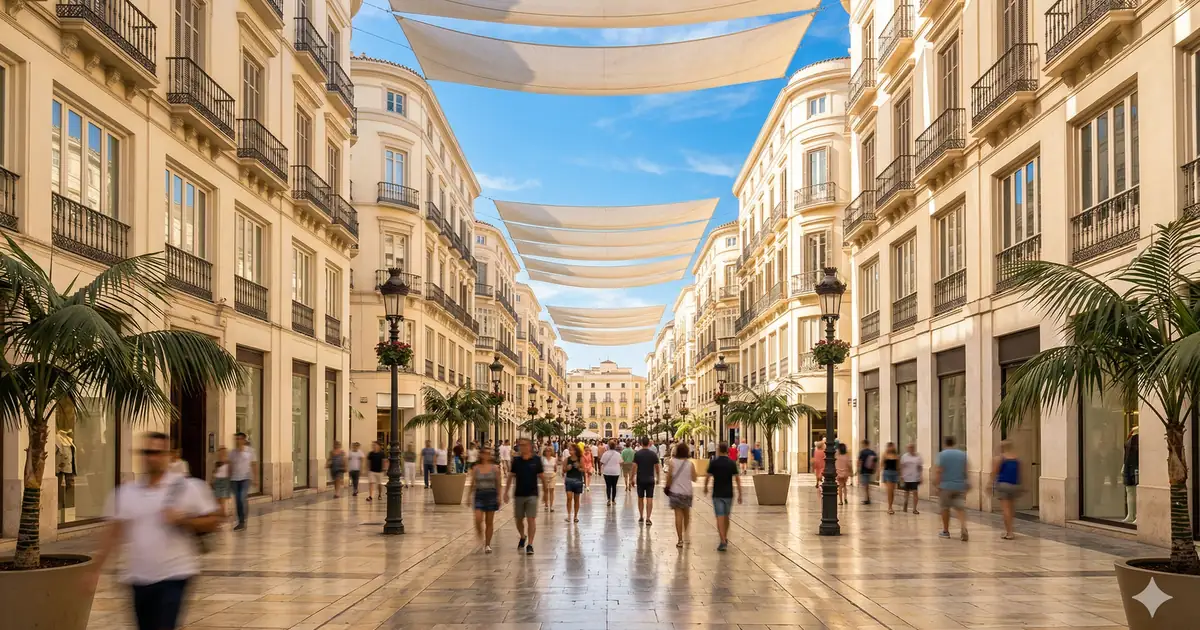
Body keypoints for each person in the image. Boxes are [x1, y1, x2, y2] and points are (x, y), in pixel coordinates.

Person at [91, 432, 221, 630]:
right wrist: (95, 570)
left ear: (169, 455)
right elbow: (113, 532)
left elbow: (214, 521)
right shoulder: (126, 493)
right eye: (147, 452)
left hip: (175, 575)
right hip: (138, 577)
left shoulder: (188, 487)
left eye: (158, 453)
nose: (152, 457)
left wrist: (184, 520)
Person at [504, 438, 544, 555]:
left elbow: (541, 477)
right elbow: (511, 476)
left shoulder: (536, 460)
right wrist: (505, 492)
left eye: (525, 445)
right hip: (519, 494)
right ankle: (522, 536)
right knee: (519, 519)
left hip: (532, 494)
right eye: (520, 445)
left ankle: (530, 544)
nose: (522, 447)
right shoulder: (516, 461)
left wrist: (546, 493)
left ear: (530, 446)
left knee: (531, 519)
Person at [704, 441, 742, 551]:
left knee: (720, 517)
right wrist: (740, 494)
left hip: (717, 494)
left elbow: (707, 476)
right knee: (726, 517)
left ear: (718, 450)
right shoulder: (731, 463)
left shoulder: (714, 462)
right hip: (729, 494)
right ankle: (724, 536)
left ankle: (723, 540)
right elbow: (737, 479)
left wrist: (705, 487)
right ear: (727, 450)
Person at [934, 436, 970, 541]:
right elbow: (966, 470)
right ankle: (963, 527)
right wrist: (966, 483)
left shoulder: (942, 455)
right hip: (959, 485)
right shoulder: (962, 454)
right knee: (960, 508)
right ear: (954, 443)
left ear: (945, 444)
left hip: (946, 486)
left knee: (945, 508)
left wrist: (937, 485)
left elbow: (939, 471)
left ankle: (946, 531)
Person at [665, 442, 697, 548]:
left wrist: (667, 486)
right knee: (686, 515)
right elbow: (694, 478)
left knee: (678, 516)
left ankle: (680, 540)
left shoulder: (672, 462)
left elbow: (669, 477)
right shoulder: (690, 464)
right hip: (687, 492)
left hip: (675, 492)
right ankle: (686, 535)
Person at [470, 447, 500, 553]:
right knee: (478, 519)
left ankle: (487, 544)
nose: (486, 455)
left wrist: (499, 496)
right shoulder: (476, 468)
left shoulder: (495, 468)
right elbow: (472, 483)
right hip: (479, 494)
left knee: (489, 521)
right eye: (484, 453)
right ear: (481, 455)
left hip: (491, 494)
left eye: (488, 453)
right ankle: (480, 536)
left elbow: (498, 483)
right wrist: (468, 496)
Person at [991, 440, 1021, 540]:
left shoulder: (1000, 458)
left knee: (1006, 510)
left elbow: (994, 472)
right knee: (1011, 510)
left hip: (1003, 485)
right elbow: (1020, 474)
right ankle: (1010, 530)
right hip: (1014, 485)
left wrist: (990, 484)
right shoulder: (1016, 458)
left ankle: (1009, 532)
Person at [229, 432, 257, 531]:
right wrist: (228, 478)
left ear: (244, 440)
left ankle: (243, 520)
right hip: (234, 479)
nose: (237, 441)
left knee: (242, 497)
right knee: (238, 500)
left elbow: (254, 465)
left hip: (246, 478)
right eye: (236, 439)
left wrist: (256, 478)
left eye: (240, 439)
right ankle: (240, 521)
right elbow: (230, 466)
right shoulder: (232, 452)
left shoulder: (250, 451)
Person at [633, 437, 661, 526]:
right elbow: (657, 467)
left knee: (640, 498)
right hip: (650, 479)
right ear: (649, 443)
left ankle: (641, 516)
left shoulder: (637, 454)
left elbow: (634, 467)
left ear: (641, 444)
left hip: (640, 479)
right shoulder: (653, 454)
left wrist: (632, 478)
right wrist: (658, 477)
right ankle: (648, 518)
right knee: (650, 499)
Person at [563, 443, 585, 523]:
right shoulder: (567, 459)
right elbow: (563, 470)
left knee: (576, 499)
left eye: (571, 450)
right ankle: (569, 515)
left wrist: (579, 467)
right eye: (569, 450)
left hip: (578, 481)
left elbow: (584, 469)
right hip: (569, 480)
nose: (570, 451)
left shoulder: (580, 459)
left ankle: (575, 516)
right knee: (569, 498)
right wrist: (567, 469)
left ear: (576, 450)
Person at [900, 443, 923, 514]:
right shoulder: (904, 456)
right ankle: (905, 503)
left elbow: (920, 467)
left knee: (915, 492)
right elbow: (901, 466)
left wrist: (921, 476)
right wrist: (901, 476)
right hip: (906, 477)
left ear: (914, 448)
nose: (910, 449)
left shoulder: (918, 457)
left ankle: (914, 509)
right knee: (906, 492)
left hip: (915, 477)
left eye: (912, 447)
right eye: (909, 448)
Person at [600, 439, 623, 506]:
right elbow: (621, 462)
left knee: (608, 486)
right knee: (614, 486)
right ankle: (613, 500)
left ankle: (608, 500)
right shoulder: (618, 454)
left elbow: (601, 462)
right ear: (615, 446)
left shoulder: (605, 453)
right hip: (615, 472)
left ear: (608, 446)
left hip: (607, 471)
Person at [211, 447, 231, 518]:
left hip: (225, 481)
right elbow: (214, 473)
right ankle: (222, 514)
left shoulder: (228, 462)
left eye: (223, 452)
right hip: (217, 481)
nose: (221, 453)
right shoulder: (217, 462)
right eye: (220, 452)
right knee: (218, 500)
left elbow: (230, 472)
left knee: (223, 500)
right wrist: (212, 481)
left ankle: (223, 514)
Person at [881, 442, 900, 514]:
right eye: (889, 446)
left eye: (892, 446)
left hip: (894, 473)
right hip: (887, 473)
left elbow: (898, 466)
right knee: (889, 490)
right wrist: (878, 473)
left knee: (892, 491)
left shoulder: (896, 455)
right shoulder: (885, 455)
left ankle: (891, 506)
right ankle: (889, 507)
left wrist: (899, 475)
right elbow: (881, 464)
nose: (891, 448)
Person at [857, 440, 878, 505]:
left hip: (864, 471)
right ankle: (867, 498)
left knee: (865, 486)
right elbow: (875, 461)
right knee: (867, 485)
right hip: (870, 471)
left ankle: (867, 499)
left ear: (864, 444)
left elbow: (859, 461)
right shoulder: (872, 452)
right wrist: (874, 469)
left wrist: (858, 469)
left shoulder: (862, 452)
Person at [541, 446, 559, 513]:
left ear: (551, 452)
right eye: (547, 451)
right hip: (545, 475)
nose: (548, 452)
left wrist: (554, 472)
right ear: (545, 452)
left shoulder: (554, 459)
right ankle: (546, 505)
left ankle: (551, 506)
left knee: (551, 490)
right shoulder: (542, 459)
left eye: (549, 451)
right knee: (546, 491)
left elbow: (555, 468)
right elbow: (541, 468)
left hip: (552, 475)